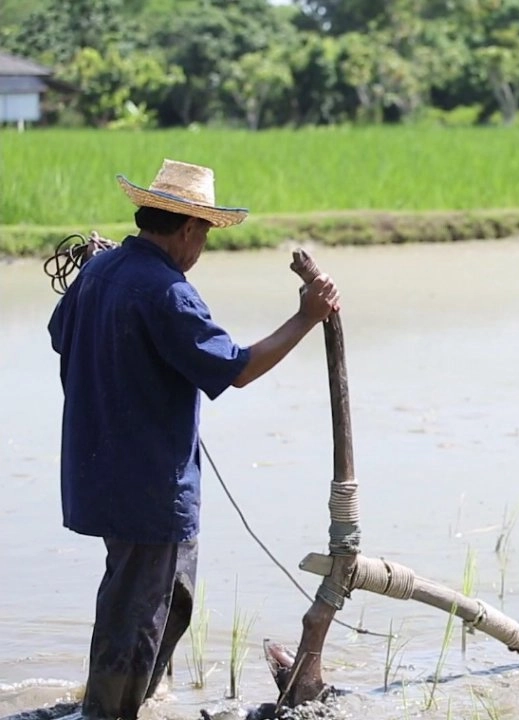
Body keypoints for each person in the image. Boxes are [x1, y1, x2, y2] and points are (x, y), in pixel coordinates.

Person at [47, 159, 341, 720]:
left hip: (101, 470)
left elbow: (62, 335)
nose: (202, 246)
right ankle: (106, 713)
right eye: (204, 233)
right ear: (187, 229)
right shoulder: (167, 293)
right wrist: (306, 317)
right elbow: (237, 369)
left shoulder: (99, 271)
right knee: (134, 611)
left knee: (168, 598)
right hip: (147, 483)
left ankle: (134, 700)